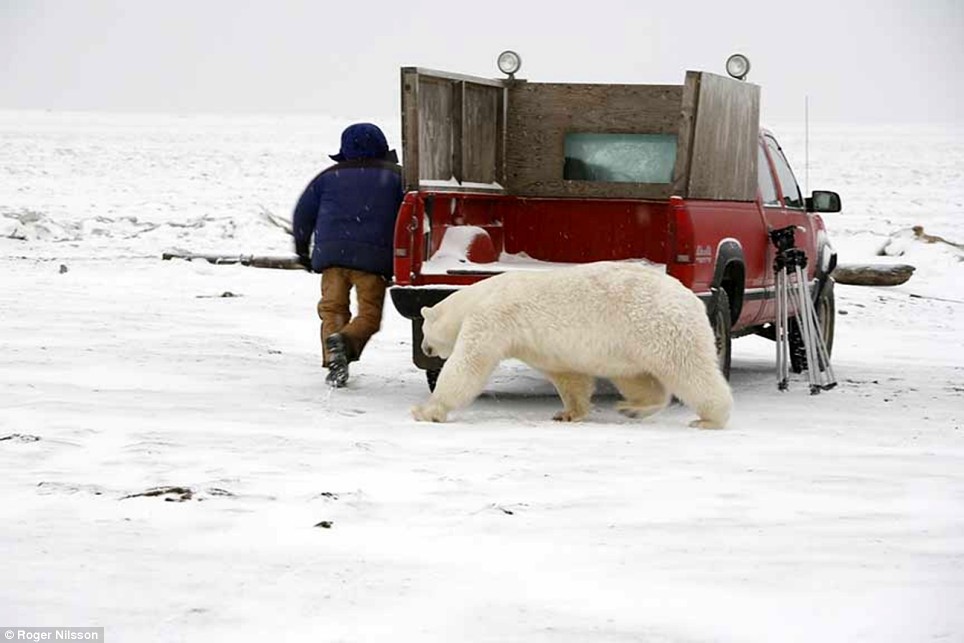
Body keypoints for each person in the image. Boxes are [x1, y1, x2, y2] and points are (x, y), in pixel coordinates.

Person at [293, 123, 404, 388]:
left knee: (332, 309)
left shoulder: (328, 176)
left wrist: (301, 250)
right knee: (369, 315)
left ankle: (334, 359)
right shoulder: (398, 177)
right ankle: (345, 343)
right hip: (373, 260)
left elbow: (302, 215)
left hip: (332, 257)